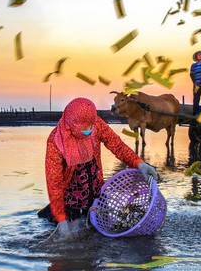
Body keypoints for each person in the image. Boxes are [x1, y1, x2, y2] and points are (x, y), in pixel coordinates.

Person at [44, 97, 158, 239]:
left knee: (94, 240)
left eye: (91, 126)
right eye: (85, 128)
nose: (89, 130)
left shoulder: (95, 124)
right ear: (72, 125)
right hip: (70, 201)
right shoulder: (56, 141)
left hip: (94, 193)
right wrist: (61, 219)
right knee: (71, 241)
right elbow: (53, 182)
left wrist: (138, 163)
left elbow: (116, 145)